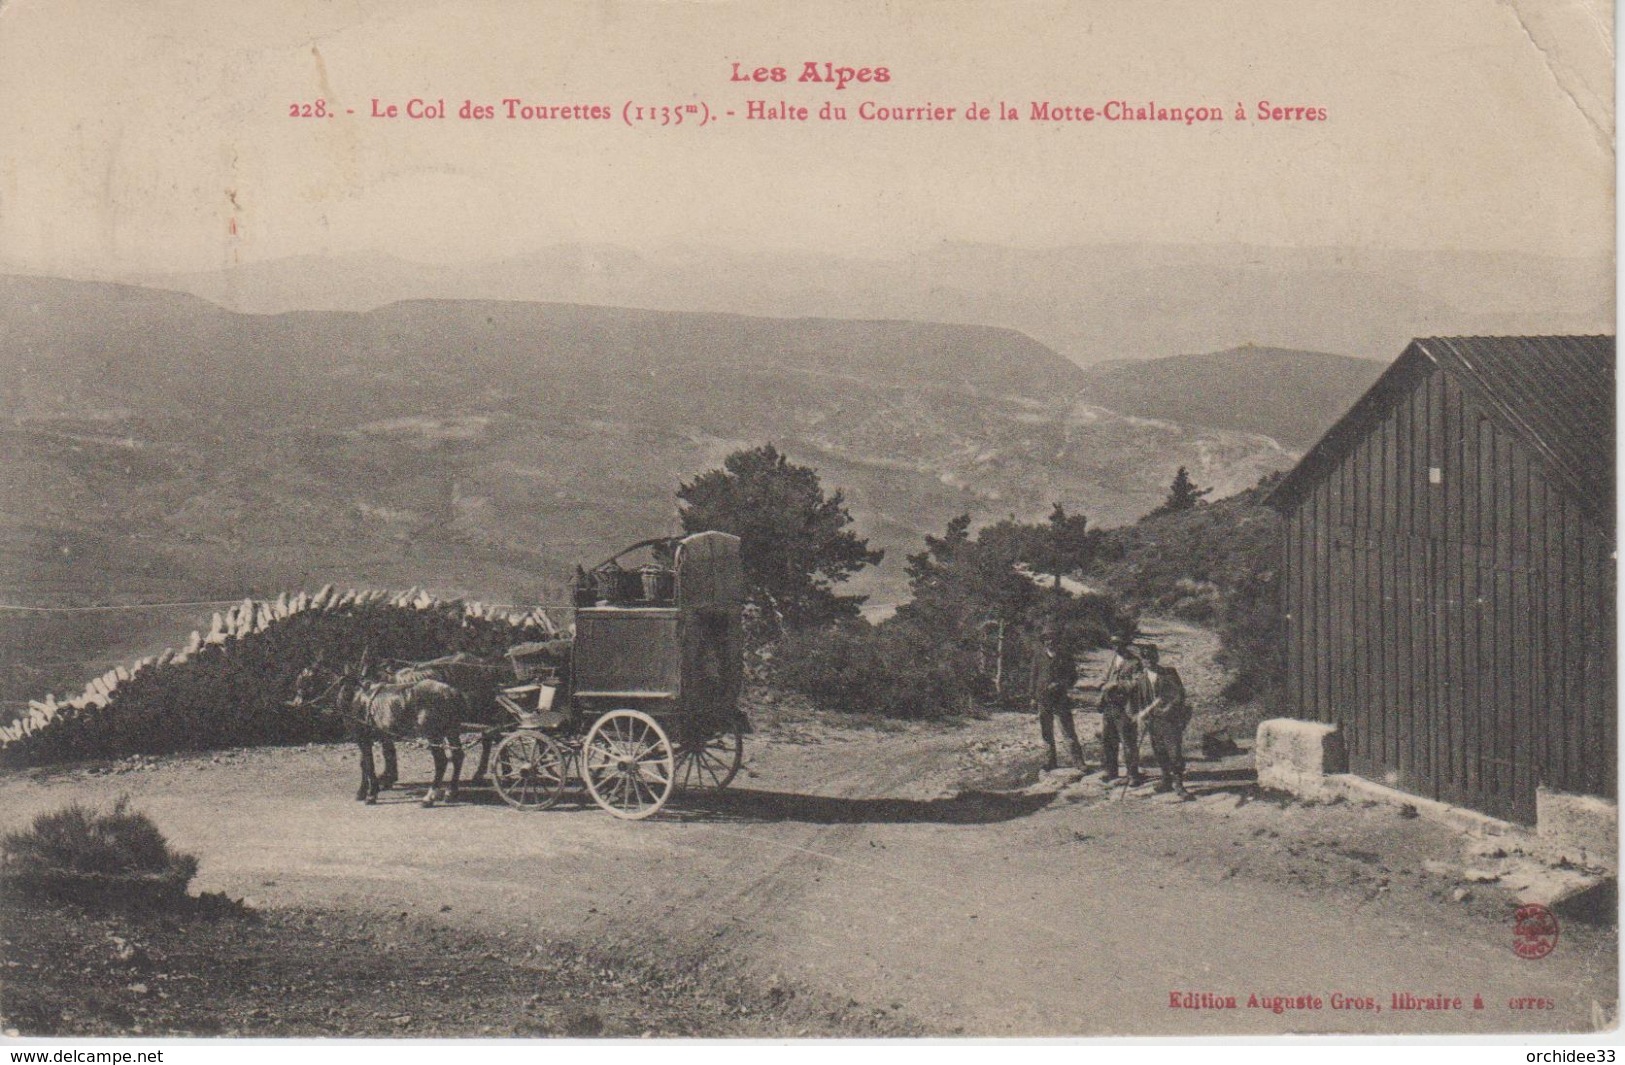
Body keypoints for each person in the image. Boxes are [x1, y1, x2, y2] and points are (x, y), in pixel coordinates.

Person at [1132, 643, 1191, 796]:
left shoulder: (1169, 673)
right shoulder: (1141, 679)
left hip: (1170, 720)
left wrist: (1169, 708)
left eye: (1151, 657)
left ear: (1157, 657)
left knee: (1174, 753)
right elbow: (1140, 701)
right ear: (1142, 660)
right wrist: (1143, 717)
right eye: (1145, 658)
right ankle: (1166, 780)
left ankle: (1179, 784)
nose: (1149, 661)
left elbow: (1179, 694)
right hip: (1153, 721)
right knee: (1159, 751)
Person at [1030, 615, 1086, 772]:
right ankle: (1051, 762)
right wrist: (1032, 697)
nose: (1050, 641)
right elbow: (1033, 677)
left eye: (1053, 638)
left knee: (1068, 731)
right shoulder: (1038, 656)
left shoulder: (1065, 656)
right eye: (1047, 639)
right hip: (1043, 699)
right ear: (1044, 641)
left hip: (1060, 699)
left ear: (1057, 639)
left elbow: (1073, 677)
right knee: (1046, 733)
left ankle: (1078, 762)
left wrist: (1061, 684)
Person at [1097, 643, 1146, 786]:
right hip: (1109, 705)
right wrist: (1102, 684)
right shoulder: (1112, 659)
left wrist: (1117, 685)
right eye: (1113, 644)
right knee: (1108, 740)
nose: (1116, 647)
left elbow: (1138, 682)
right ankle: (1111, 772)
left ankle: (1133, 774)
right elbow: (1103, 677)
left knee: (1128, 741)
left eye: (1119, 643)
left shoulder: (1135, 662)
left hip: (1125, 707)